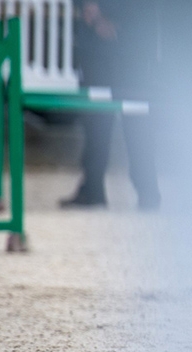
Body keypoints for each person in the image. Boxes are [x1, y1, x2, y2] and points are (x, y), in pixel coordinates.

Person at [60, 0, 160, 210]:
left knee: (135, 118)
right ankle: (97, 186)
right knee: (97, 119)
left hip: (133, 37)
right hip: (116, 40)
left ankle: (145, 189)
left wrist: (103, 13)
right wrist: (93, 11)